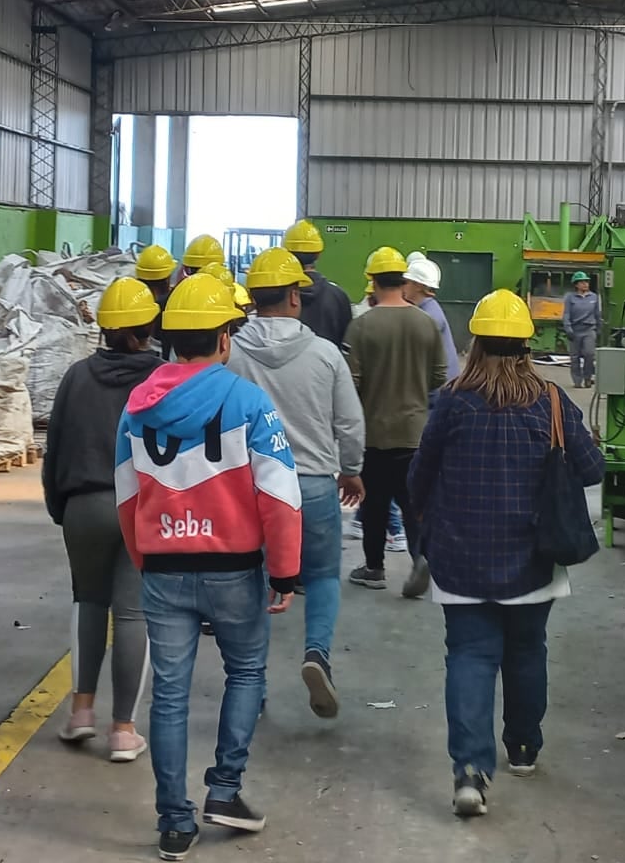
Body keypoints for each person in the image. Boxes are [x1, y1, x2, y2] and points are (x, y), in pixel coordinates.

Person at [116, 273, 303, 861]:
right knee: (245, 673)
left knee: (169, 695)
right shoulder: (247, 402)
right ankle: (224, 790)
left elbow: (126, 495)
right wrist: (285, 571)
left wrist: (145, 555)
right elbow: (279, 496)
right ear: (225, 338)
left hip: (164, 568)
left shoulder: (137, 406)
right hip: (235, 569)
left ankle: (174, 823)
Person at [406, 290, 604, 818]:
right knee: (525, 650)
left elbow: (419, 476)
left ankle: (470, 773)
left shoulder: (452, 400)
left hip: (459, 555)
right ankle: (521, 749)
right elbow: (593, 470)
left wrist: (422, 533)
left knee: (469, 655)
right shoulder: (552, 401)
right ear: (526, 345)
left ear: (473, 343)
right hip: (533, 558)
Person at [227, 248, 366, 720]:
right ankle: (316, 653)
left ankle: (253, 682)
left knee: (255, 580)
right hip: (311, 483)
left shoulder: (231, 353)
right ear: (292, 296)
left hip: (251, 487)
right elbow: (349, 421)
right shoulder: (325, 354)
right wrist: (350, 468)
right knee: (324, 573)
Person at [44, 278, 163, 763]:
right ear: (149, 326)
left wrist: (60, 507)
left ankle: (80, 714)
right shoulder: (161, 378)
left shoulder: (76, 376)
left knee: (88, 603)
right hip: (139, 508)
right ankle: (123, 730)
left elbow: (55, 447)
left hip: (83, 506)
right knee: (134, 614)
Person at [346, 246, 448, 599]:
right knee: (412, 503)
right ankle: (420, 556)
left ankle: (374, 567)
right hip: (415, 432)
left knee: (374, 505)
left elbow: (351, 383)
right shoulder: (426, 323)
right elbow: (439, 376)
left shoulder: (361, 326)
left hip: (373, 433)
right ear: (404, 280)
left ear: (372, 282)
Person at [284, 219, 352, 350]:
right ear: (319, 254)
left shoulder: (280, 296)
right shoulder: (338, 297)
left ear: (287, 253)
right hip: (329, 367)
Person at [404, 252, 460, 382]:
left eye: (406, 282)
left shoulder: (429, 316)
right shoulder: (428, 309)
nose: (402, 286)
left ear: (418, 286)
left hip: (438, 391)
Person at [561, 271, 602, 390]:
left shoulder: (594, 297)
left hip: (589, 329)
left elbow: (597, 314)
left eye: (587, 281)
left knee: (589, 354)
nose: (585, 284)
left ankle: (588, 377)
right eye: (582, 282)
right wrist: (568, 328)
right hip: (575, 330)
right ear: (576, 284)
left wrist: (598, 328)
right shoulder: (570, 298)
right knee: (575, 357)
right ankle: (577, 380)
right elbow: (566, 314)